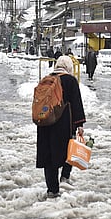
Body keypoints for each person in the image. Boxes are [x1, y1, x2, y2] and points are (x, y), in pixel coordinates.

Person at [36, 55, 86, 198]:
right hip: (63, 123)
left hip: (45, 122)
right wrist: (79, 124)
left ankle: (52, 189)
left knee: (49, 156)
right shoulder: (70, 80)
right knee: (67, 151)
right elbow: (76, 103)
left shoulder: (46, 79)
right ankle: (64, 177)